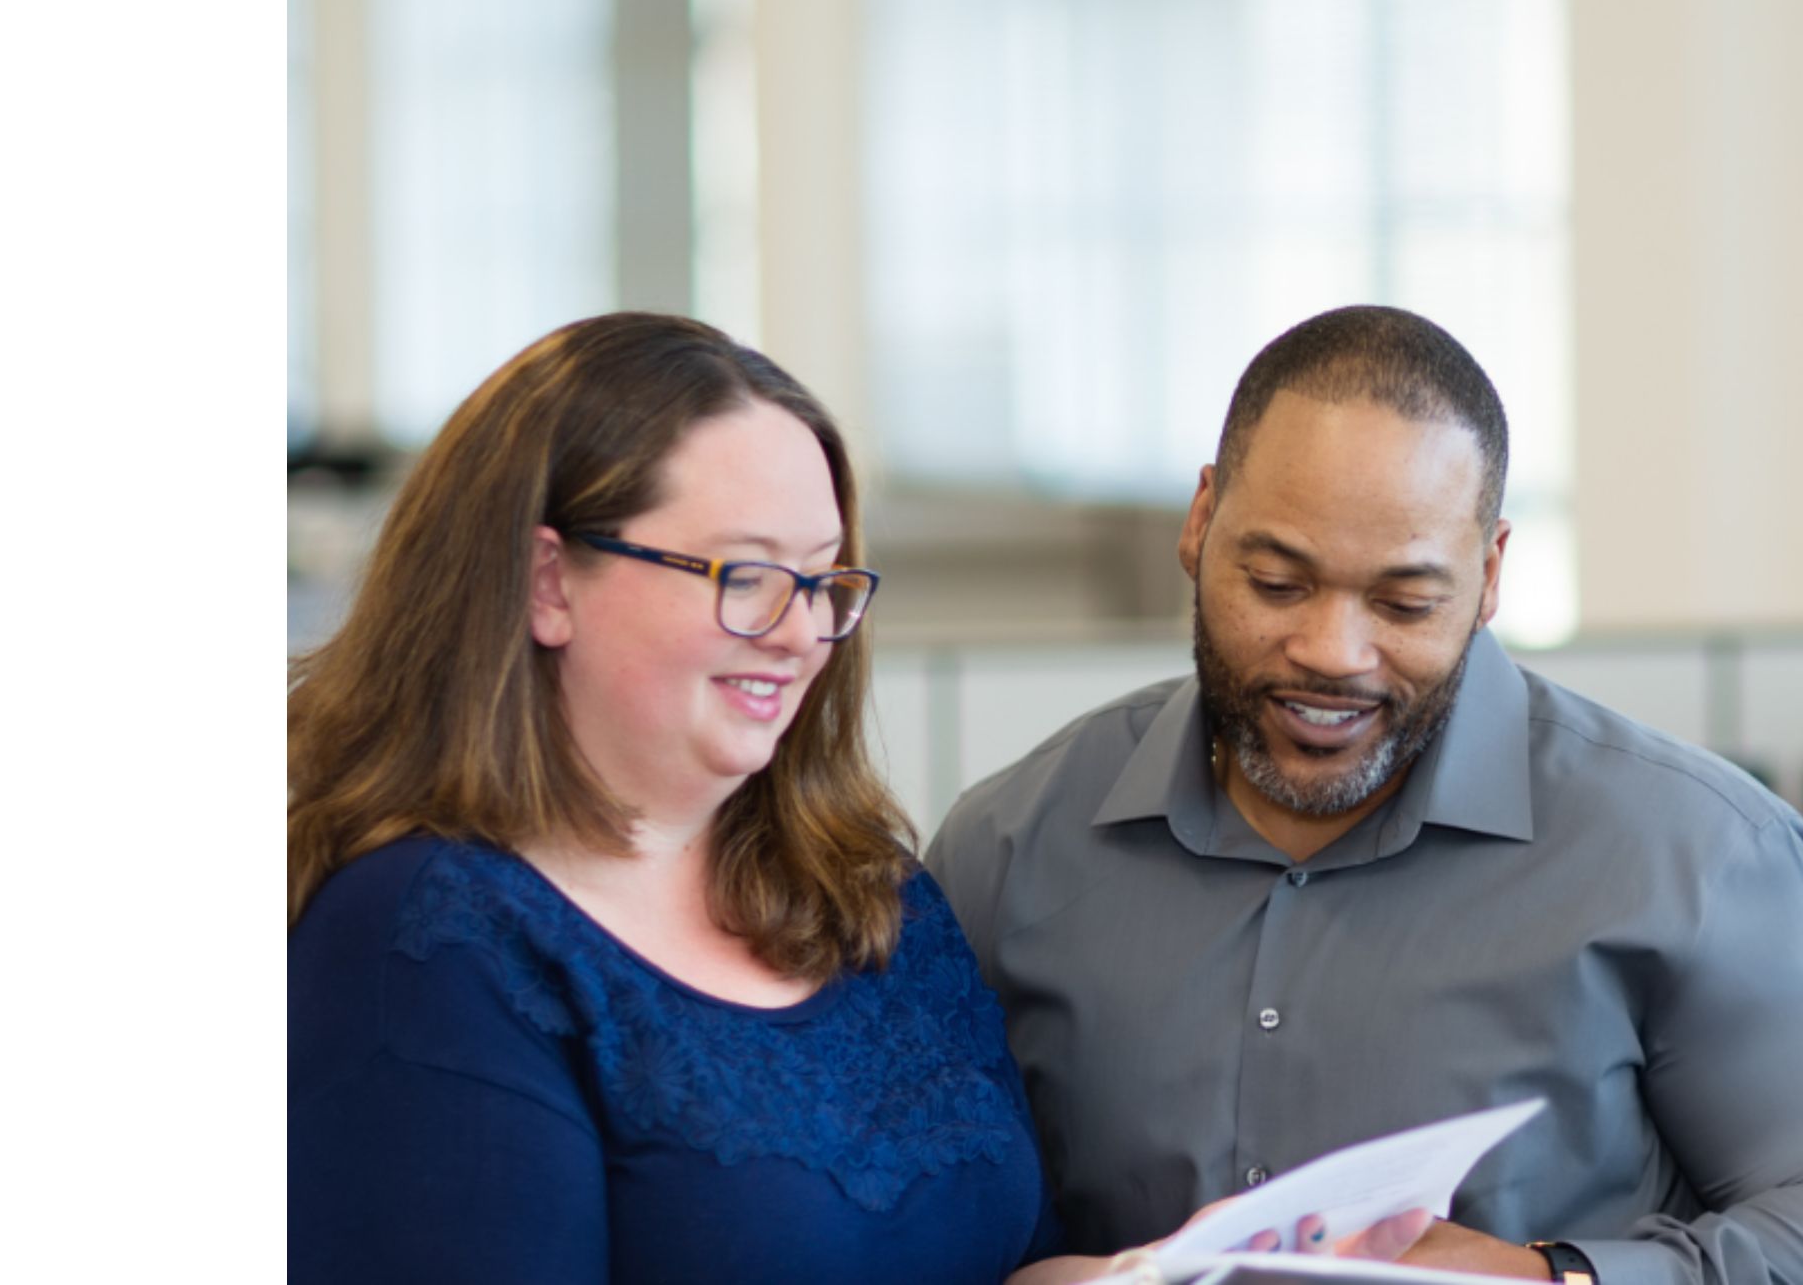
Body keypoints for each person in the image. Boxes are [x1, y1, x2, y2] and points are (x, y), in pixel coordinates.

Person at [288, 313, 1420, 1283]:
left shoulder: (861, 890)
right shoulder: (423, 941)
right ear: (547, 583)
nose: (798, 633)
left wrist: (1168, 1268)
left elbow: (1000, 1251)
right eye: (744, 577)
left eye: (824, 580)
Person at [926, 305, 1803, 1285]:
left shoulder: (1701, 857)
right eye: (1275, 583)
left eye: (1403, 605)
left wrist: (1552, 1279)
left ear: (1490, 573)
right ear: (1198, 522)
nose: (1330, 654)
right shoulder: (1004, 852)